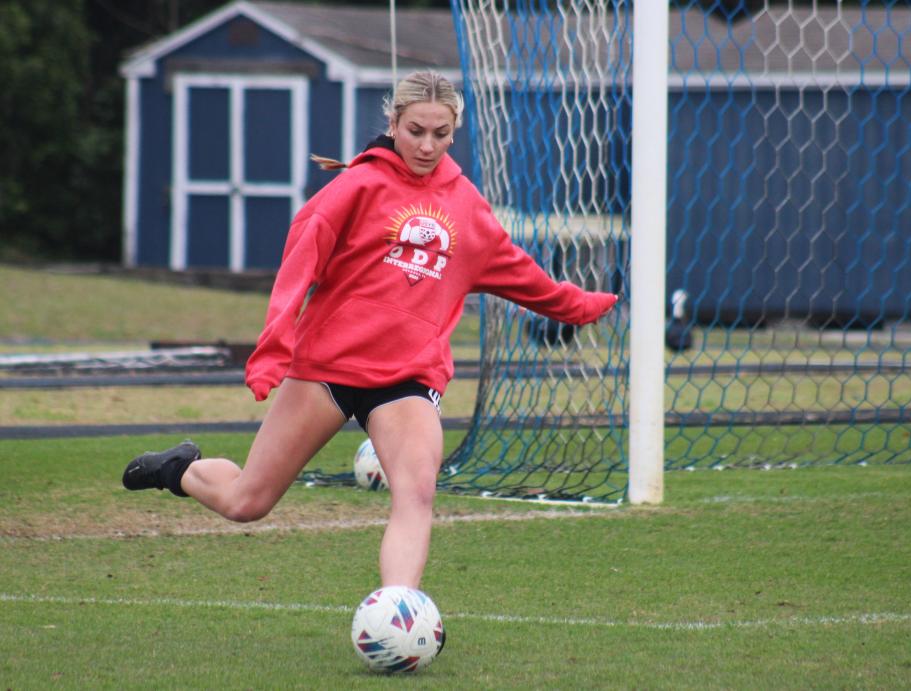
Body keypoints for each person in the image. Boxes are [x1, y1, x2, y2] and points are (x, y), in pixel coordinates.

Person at [122, 71, 618, 590]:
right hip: (328, 369)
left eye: (441, 133)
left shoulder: (467, 205)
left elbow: (522, 275)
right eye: (416, 131)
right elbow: (299, 266)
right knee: (248, 503)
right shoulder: (356, 186)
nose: (428, 145)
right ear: (393, 123)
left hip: (407, 378)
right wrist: (272, 349)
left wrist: (584, 305)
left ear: (455, 131)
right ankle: (179, 470)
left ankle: (398, 613)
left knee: (416, 494)